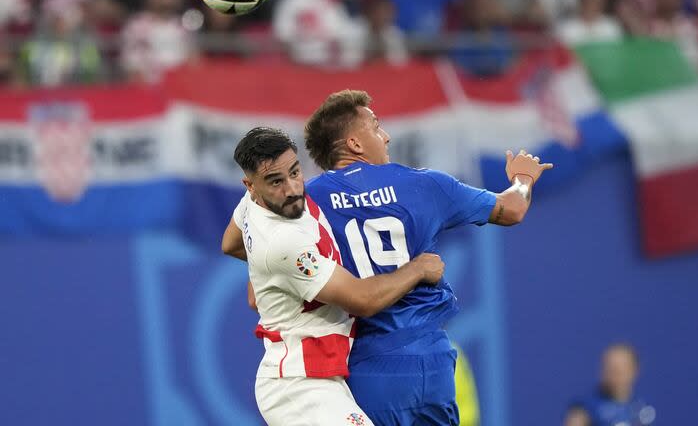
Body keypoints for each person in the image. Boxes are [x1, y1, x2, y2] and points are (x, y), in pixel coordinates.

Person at [302, 90, 553, 425]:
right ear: (355, 144)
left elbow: (252, 252)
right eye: (375, 127)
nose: (386, 136)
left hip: (368, 366)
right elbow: (512, 209)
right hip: (431, 363)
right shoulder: (424, 185)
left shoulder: (307, 202)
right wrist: (523, 178)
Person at [220, 126, 446, 425]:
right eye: (275, 182)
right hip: (298, 386)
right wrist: (418, 268)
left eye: (295, 172)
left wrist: (269, 279)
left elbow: (230, 243)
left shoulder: (254, 204)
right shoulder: (284, 243)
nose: (291, 189)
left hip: (318, 377)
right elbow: (362, 300)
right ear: (250, 185)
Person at [581, 343, 656, 426]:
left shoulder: (641, 409)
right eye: (610, 368)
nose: (615, 374)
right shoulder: (584, 409)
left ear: (635, 370)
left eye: (620, 369)